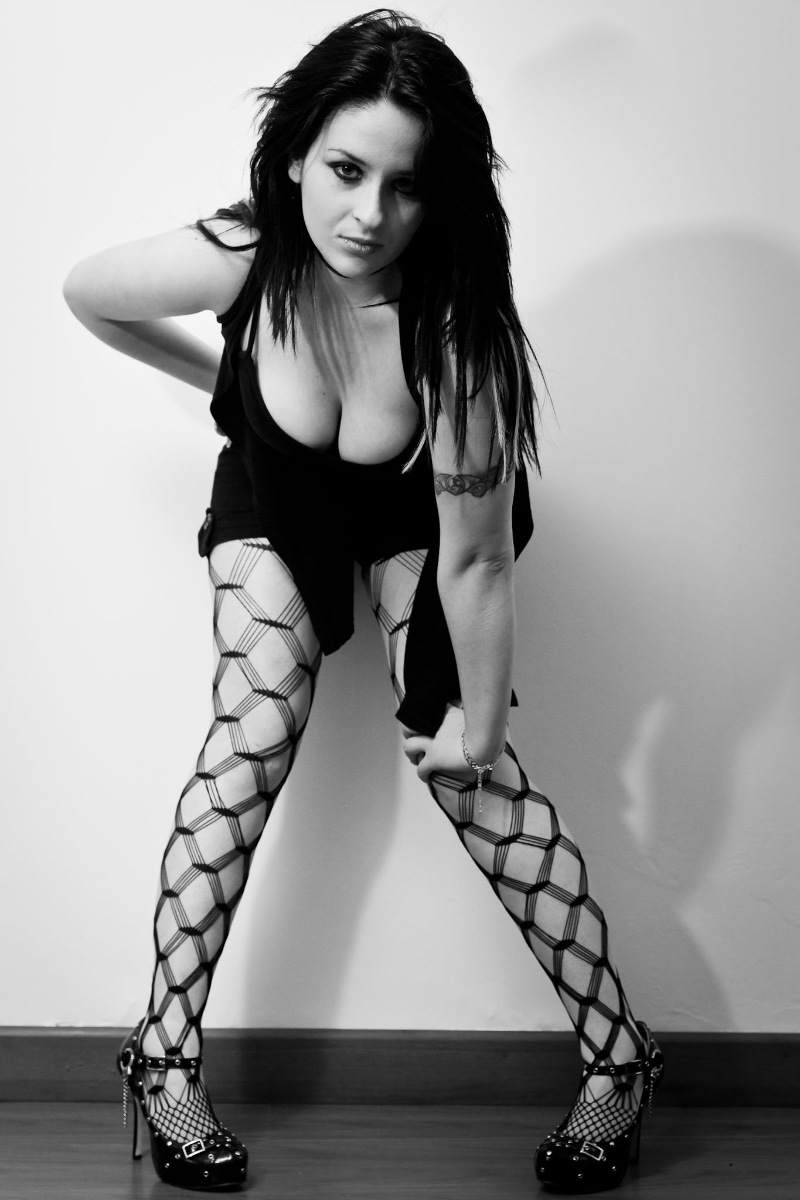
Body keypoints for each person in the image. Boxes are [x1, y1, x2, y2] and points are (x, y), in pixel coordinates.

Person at [63, 9, 663, 1193]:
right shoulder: (243, 252)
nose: (367, 215)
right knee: (252, 734)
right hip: (276, 488)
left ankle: (619, 1060)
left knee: (470, 770)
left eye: (405, 185)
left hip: (410, 516)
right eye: (344, 170)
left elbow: (474, 562)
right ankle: (163, 1061)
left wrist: (475, 724)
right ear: (294, 155)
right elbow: (91, 294)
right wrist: (226, 379)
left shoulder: (456, 338)